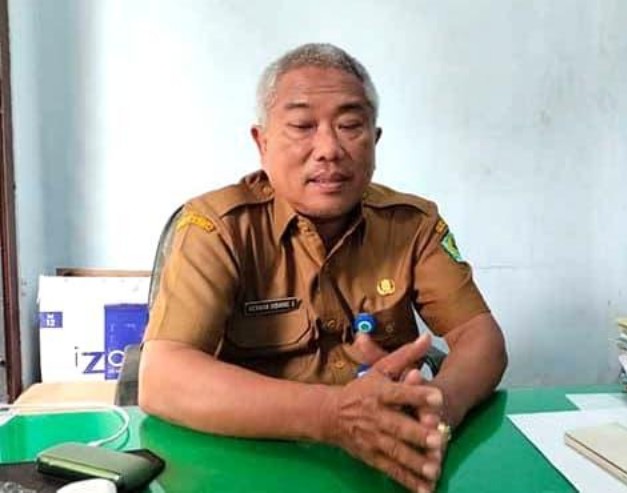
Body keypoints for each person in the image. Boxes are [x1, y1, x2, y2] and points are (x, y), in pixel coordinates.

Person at [139, 42, 507, 493]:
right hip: (248, 464)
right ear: (262, 142)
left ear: (374, 140)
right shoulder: (217, 228)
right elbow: (162, 378)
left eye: (350, 125)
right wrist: (334, 415)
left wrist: (440, 404)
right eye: (301, 126)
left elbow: (480, 337)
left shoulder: (413, 224)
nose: (329, 149)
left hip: (383, 467)